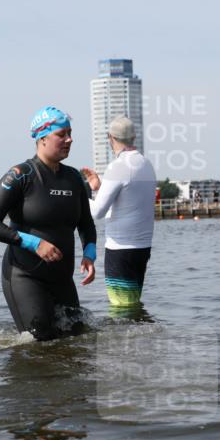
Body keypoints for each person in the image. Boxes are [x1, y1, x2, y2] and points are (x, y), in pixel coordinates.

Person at [0, 106, 96, 340]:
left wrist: (89, 254)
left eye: (70, 133)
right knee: (39, 342)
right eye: (61, 134)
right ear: (42, 138)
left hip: (62, 277)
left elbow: (86, 223)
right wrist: (34, 244)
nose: (69, 139)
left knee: (78, 339)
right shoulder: (21, 175)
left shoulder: (73, 178)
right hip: (24, 275)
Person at [81, 116, 157, 308]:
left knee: (121, 307)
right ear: (134, 137)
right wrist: (98, 188)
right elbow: (128, 201)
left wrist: (78, 196)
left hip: (120, 249)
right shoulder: (146, 165)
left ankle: (124, 339)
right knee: (132, 303)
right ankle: (141, 338)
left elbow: (97, 211)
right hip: (142, 247)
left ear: (110, 137)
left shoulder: (118, 166)